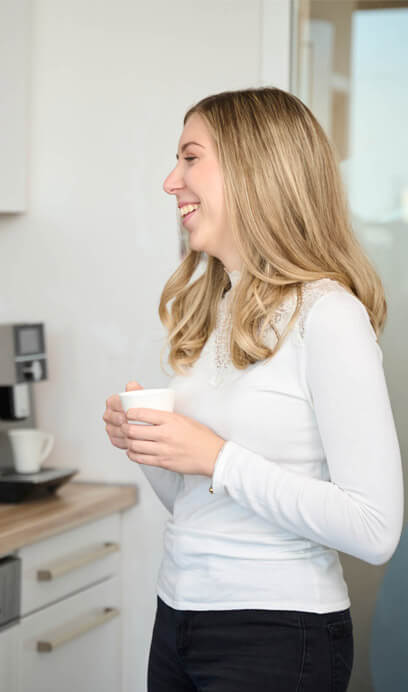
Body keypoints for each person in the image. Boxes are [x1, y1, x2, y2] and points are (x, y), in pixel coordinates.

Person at [103, 88, 404, 691]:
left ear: (253, 170)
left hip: (278, 635)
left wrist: (213, 455)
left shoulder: (328, 315)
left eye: (190, 158)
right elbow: (205, 504)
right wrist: (156, 448)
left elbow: (375, 529)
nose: (171, 181)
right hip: (180, 617)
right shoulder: (217, 305)